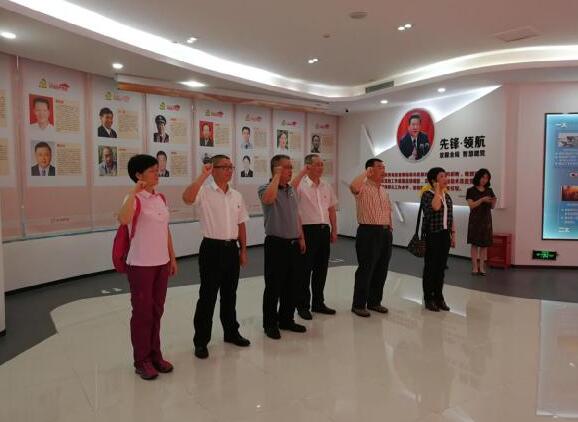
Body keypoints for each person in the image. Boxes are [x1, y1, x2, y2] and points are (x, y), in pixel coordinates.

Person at [183, 155, 251, 359]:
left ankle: (231, 332)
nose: (229, 170)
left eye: (231, 167)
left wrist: (243, 250)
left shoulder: (236, 195)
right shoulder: (204, 191)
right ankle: (201, 341)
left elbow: (241, 224)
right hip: (211, 249)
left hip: (231, 249)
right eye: (225, 167)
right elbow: (187, 198)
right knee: (208, 296)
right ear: (213, 169)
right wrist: (201, 177)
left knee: (230, 295)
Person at [117, 154, 178, 380]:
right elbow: (123, 219)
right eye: (152, 170)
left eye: (156, 169)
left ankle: (155, 355)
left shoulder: (160, 198)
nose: (157, 173)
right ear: (138, 175)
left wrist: (172, 257)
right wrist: (134, 192)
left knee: (156, 310)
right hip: (141, 264)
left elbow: (165, 229)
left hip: (161, 263)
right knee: (142, 313)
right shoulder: (133, 198)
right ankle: (141, 360)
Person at [259, 154, 307, 339]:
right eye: (286, 167)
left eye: (291, 167)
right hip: (276, 244)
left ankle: (286, 319)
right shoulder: (265, 188)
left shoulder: (291, 190)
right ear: (276, 169)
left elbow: (296, 215)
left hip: (293, 243)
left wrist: (301, 237)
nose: (290, 170)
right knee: (274, 287)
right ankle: (270, 324)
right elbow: (268, 199)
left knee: (292, 285)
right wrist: (277, 177)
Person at [291, 154, 337, 320]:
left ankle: (318, 303)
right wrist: (300, 236)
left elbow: (331, 209)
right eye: (317, 164)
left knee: (321, 269)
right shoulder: (300, 186)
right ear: (308, 166)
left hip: (324, 230)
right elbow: (290, 192)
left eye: (322, 164)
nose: (321, 167)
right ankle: (302, 305)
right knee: (304, 271)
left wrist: (334, 229)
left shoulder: (326, 185)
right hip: (307, 231)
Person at [349, 158, 393, 317]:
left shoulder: (383, 190)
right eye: (379, 167)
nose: (383, 170)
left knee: (381, 269)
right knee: (366, 269)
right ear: (370, 170)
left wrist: (390, 227)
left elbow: (388, 210)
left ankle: (374, 302)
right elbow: (353, 186)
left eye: (384, 167)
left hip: (385, 233)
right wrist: (365, 174)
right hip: (368, 232)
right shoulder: (363, 187)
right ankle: (358, 304)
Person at [420, 167, 455, 312]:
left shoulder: (447, 196)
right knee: (430, 267)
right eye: (442, 176)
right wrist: (437, 190)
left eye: (445, 176)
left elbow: (450, 216)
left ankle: (439, 297)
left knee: (441, 268)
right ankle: (429, 298)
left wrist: (453, 235)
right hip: (433, 234)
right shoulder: (427, 195)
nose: (445, 179)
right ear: (434, 180)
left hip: (445, 235)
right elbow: (435, 207)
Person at [466, 169, 496, 275]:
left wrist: (494, 201)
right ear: (478, 177)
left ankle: (482, 267)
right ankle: (474, 267)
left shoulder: (489, 190)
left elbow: (492, 207)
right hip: (475, 220)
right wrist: (482, 200)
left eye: (487, 178)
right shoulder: (471, 190)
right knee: (474, 244)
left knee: (484, 245)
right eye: (483, 177)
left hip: (486, 220)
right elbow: (471, 205)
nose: (484, 180)